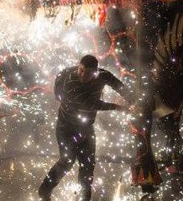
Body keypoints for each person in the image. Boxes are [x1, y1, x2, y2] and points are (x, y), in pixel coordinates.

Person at [38, 55, 133, 201]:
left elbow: (118, 86)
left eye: (87, 73)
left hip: (86, 127)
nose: (82, 75)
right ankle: (44, 191)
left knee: (88, 165)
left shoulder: (103, 75)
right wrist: (118, 108)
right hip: (66, 128)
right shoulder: (71, 81)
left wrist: (133, 100)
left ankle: (84, 199)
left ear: (95, 72)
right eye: (81, 70)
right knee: (67, 161)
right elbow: (90, 104)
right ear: (78, 66)